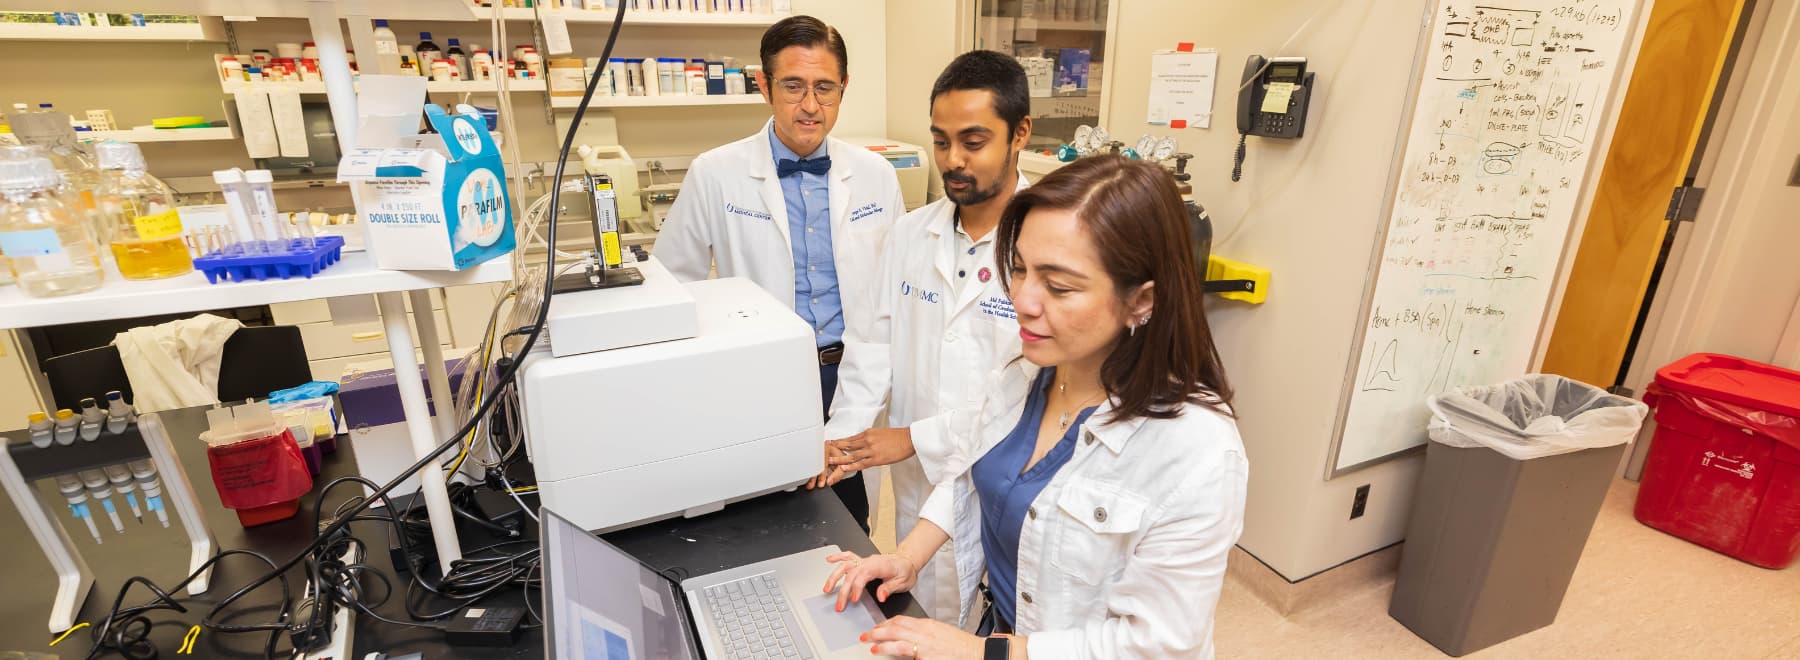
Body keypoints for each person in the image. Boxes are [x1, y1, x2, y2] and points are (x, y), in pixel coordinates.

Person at [821, 156, 1248, 659]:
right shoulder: (1028, 368)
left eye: (1059, 285)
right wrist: (908, 559)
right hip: (999, 629)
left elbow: (1153, 645)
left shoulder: (1196, 450)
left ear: (1141, 301)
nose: (1022, 299)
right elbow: (972, 472)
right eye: (1020, 269)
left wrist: (990, 654)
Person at [655, 15, 905, 531]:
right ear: (764, 84)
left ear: (843, 88)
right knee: (766, 522)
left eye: (824, 87)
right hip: (760, 378)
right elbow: (671, 284)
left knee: (849, 524)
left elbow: (891, 294)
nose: (810, 105)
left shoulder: (876, 175)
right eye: (792, 86)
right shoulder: (716, 172)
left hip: (853, 375)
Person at [814, 50, 1033, 621]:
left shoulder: (1048, 248)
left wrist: (915, 437)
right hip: (917, 490)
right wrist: (842, 445)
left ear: (1020, 135)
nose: (953, 160)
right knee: (927, 612)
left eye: (974, 141)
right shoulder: (911, 235)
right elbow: (870, 351)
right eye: (941, 141)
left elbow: (1034, 397)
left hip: (1003, 481)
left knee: (997, 618)